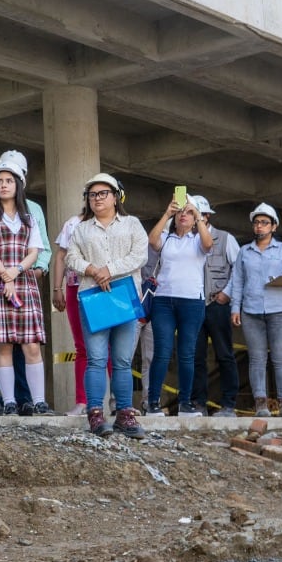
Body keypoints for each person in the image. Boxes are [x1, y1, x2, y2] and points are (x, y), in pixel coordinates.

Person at [65, 173, 149, 439]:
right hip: (93, 297)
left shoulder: (132, 224)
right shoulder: (81, 229)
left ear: (116, 197)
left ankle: (124, 414)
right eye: (92, 195)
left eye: (103, 193)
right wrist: (91, 269)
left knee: (123, 360)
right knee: (97, 358)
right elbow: (70, 257)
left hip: (124, 295)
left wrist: (108, 270)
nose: (97, 198)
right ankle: (95, 415)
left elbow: (139, 256)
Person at [0, 153, 53, 415]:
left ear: (19, 184)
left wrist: (15, 272)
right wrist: (5, 276)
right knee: (3, 344)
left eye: (9, 180)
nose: (3, 185)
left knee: (30, 344)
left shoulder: (30, 218)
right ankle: (9, 402)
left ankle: (39, 400)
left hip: (24, 282)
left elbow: (34, 252)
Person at [229, 202, 282, 418]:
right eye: (257, 223)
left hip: (280, 310)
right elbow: (238, 281)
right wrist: (235, 308)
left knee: (280, 358)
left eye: (264, 223)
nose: (259, 226)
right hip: (251, 311)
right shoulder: (245, 252)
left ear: (274, 226)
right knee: (257, 359)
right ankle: (261, 404)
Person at [146, 196, 213, 417]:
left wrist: (199, 216)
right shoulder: (167, 238)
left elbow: (208, 244)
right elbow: (152, 240)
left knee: (186, 354)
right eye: (180, 212)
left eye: (188, 213)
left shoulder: (198, 239)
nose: (183, 215)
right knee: (162, 353)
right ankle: (152, 402)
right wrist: (167, 213)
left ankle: (185, 403)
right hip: (164, 300)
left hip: (192, 301)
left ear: (195, 218)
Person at [50, 211, 108, 416]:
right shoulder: (73, 223)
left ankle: (118, 402)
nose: (96, 200)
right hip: (76, 286)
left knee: (111, 346)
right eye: (91, 195)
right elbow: (60, 255)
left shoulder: (119, 223)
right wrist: (57, 288)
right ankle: (83, 402)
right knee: (82, 347)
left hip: (106, 287)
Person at [188, 195, 241, 417]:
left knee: (225, 355)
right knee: (195, 356)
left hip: (217, 305)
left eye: (196, 215)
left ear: (207, 216)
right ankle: (199, 403)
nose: (192, 219)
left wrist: (227, 295)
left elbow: (239, 270)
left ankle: (229, 404)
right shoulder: (185, 239)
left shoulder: (226, 239)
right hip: (192, 305)